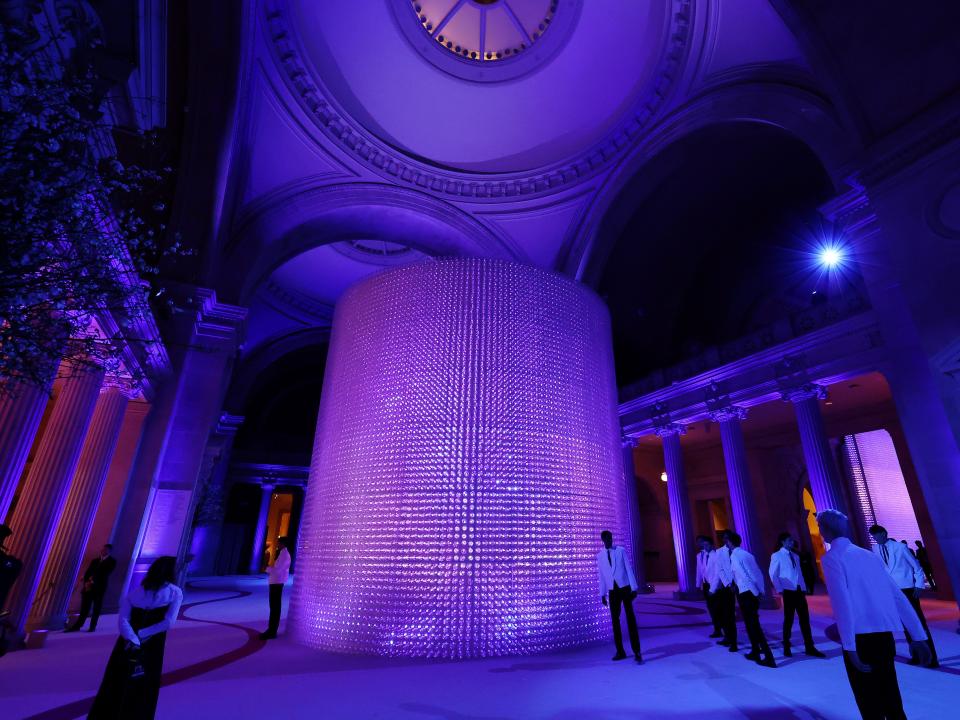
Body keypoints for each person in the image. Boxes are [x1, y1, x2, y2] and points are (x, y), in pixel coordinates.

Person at [818, 510, 931, 720]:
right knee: (892, 699)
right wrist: (918, 635)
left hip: (860, 639)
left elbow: (842, 605)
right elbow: (896, 595)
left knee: (869, 703)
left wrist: (849, 646)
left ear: (824, 529)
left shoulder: (832, 558)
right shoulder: (868, 555)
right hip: (884, 637)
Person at [88, 556, 183, 719]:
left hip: (127, 640)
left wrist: (132, 638)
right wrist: (142, 635)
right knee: (145, 681)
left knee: (116, 679)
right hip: (153, 641)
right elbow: (168, 622)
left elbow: (123, 619)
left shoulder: (136, 591)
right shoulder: (175, 592)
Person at [869, 524, 939, 668]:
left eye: (876, 535)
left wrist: (919, 586)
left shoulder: (900, 547)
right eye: (873, 536)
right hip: (892, 592)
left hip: (908, 590)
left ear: (883, 533)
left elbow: (917, 568)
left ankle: (932, 658)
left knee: (919, 624)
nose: (875, 538)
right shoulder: (875, 550)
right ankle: (916, 655)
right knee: (906, 625)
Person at [768, 533, 824, 658]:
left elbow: (799, 573)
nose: (792, 542)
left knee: (805, 619)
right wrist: (780, 589)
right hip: (788, 591)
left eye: (792, 540)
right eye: (789, 540)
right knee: (789, 619)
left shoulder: (795, 555)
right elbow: (773, 574)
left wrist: (804, 587)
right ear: (782, 542)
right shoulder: (777, 555)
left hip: (799, 591)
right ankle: (786, 646)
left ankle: (809, 646)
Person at [726, 531, 776, 667]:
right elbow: (758, 574)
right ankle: (755, 650)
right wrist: (760, 590)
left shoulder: (735, 556)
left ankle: (769, 657)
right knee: (751, 624)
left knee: (753, 625)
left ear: (730, 542)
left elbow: (744, 575)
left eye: (726, 541)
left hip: (746, 593)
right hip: (751, 592)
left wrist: (755, 592)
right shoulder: (747, 554)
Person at [596, 530, 642, 663]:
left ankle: (637, 651)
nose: (609, 540)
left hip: (625, 588)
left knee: (630, 619)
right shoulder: (600, 556)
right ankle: (620, 651)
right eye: (606, 538)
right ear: (603, 540)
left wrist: (634, 587)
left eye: (610, 538)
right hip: (612, 591)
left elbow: (628, 569)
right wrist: (602, 594)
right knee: (615, 622)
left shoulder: (620, 550)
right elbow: (602, 577)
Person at [66, 544, 116, 632]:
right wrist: (86, 581)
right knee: (84, 607)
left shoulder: (112, 561)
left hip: (99, 588)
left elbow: (106, 573)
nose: (103, 550)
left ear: (109, 551)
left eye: (106, 550)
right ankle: (78, 625)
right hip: (89, 587)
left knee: (96, 608)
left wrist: (94, 579)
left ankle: (92, 626)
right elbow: (88, 571)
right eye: (103, 549)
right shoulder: (95, 561)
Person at [709, 530, 738, 652]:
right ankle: (731, 640)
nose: (726, 540)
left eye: (728, 538)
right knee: (727, 615)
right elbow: (719, 571)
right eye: (724, 538)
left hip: (742, 585)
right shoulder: (720, 552)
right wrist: (727, 584)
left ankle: (756, 641)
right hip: (727, 588)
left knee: (749, 615)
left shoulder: (738, 550)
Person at [260, 535, 292, 640]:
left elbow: (278, 570)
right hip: (276, 582)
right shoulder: (283, 554)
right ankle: (271, 630)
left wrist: (267, 569)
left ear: (282, 543)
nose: (277, 544)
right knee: (274, 607)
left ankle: (272, 631)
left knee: (275, 607)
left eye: (278, 542)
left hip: (277, 582)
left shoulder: (284, 555)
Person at [695, 535, 723, 638]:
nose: (702, 544)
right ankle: (717, 629)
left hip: (714, 585)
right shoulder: (699, 555)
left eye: (704, 543)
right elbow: (699, 570)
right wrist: (698, 584)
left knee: (717, 608)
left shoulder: (715, 555)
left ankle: (722, 629)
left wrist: (713, 588)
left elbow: (717, 573)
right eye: (700, 543)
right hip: (706, 584)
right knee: (711, 608)